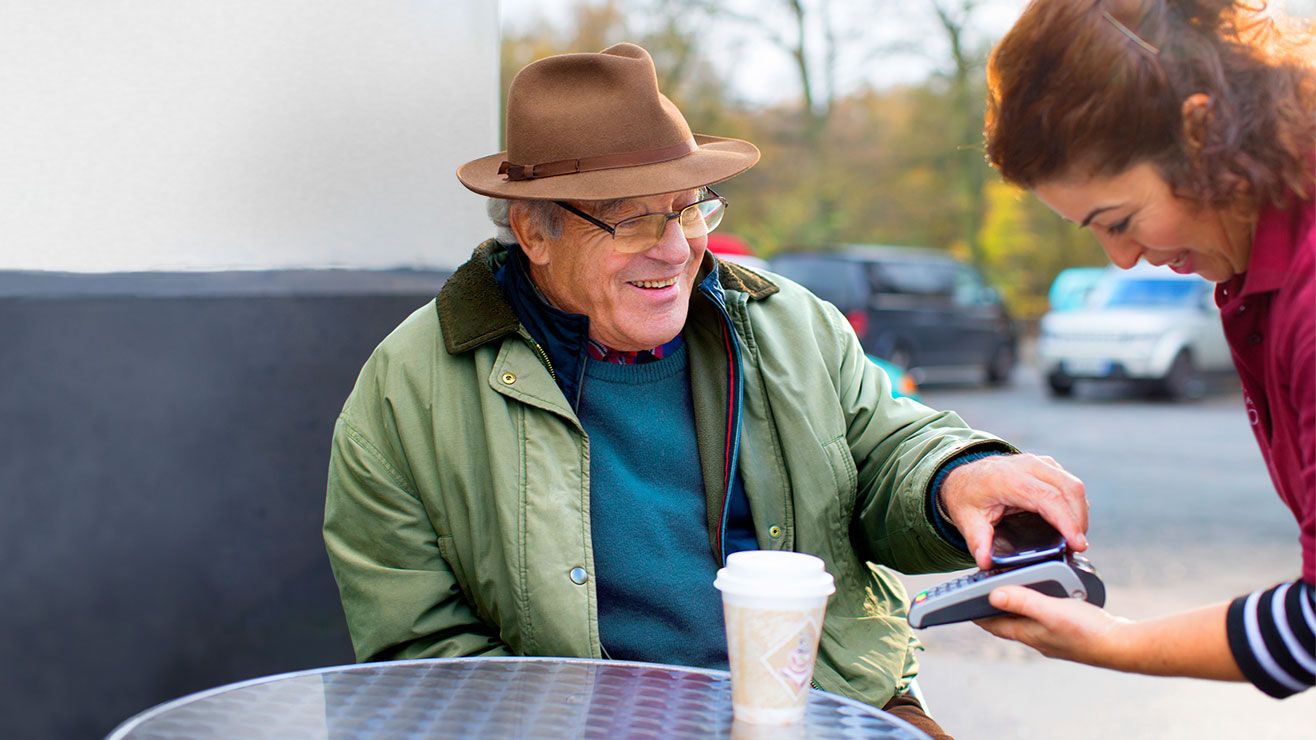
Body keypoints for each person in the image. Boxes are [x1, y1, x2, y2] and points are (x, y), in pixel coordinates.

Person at [322, 42, 1089, 735]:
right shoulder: (407, 390)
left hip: (831, 708)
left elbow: (889, 447)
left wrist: (960, 476)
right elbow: (422, 651)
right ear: (533, 232)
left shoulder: (788, 324)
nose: (678, 246)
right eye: (629, 220)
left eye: (690, 208)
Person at [980, 0, 1314, 698]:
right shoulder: (1258, 267)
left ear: (1206, 130)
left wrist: (1117, 642)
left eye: (1121, 220)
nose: (1123, 259)